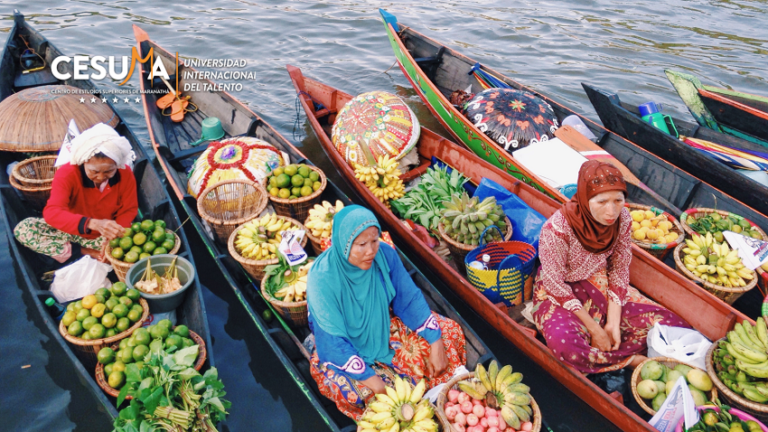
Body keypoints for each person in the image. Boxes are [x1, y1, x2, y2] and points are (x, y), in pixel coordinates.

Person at [307, 205, 466, 420]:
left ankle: (434, 390)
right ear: (343, 244)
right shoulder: (322, 279)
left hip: (383, 328)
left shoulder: (385, 256)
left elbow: (409, 300)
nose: (371, 251)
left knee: (448, 331)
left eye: (374, 240)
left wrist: (436, 343)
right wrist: (377, 385)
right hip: (342, 349)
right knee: (361, 394)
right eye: (361, 244)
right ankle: (421, 390)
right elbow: (331, 343)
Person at [531, 160, 688, 374]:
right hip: (559, 291)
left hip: (598, 281)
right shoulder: (557, 229)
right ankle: (632, 361)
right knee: (567, 347)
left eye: (618, 200)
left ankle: (606, 355)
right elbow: (554, 284)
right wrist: (595, 329)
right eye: (602, 201)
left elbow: (619, 269)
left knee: (670, 324)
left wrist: (613, 323)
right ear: (586, 199)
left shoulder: (623, 219)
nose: (611, 210)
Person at [14, 123, 138, 265]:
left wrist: (112, 237)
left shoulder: (125, 172)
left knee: (131, 248)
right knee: (24, 229)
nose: (101, 177)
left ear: (117, 165)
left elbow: (128, 209)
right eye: (94, 171)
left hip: (104, 235)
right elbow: (52, 212)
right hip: (73, 230)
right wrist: (92, 223)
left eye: (109, 171)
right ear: (83, 162)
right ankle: (87, 252)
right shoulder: (67, 174)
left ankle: (97, 253)